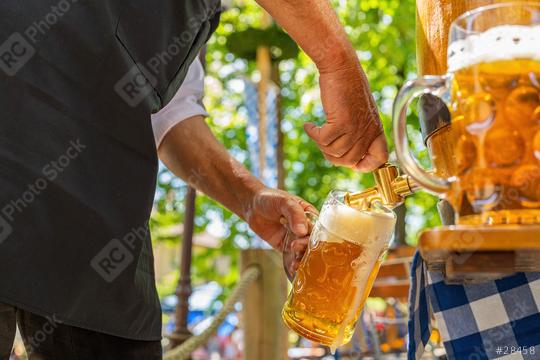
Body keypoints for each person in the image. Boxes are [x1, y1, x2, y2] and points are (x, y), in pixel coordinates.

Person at [0, 0, 386, 359]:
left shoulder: (174, 26)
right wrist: (337, 61)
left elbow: (168, 118)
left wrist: (251, 198)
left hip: (94, 207)